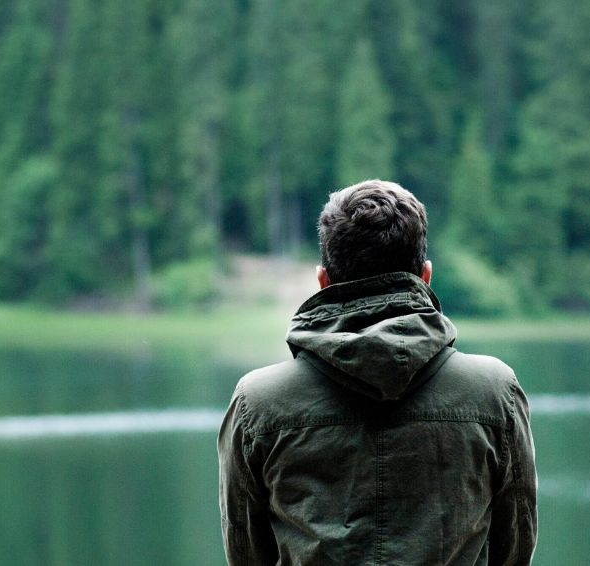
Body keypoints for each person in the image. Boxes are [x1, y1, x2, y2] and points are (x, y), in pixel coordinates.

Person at [218, 179, 537, 565]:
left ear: (323, 281)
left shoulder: (259, 403)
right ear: (426, 276)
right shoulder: (494, 392)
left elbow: (247, 554)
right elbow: (514, 550)